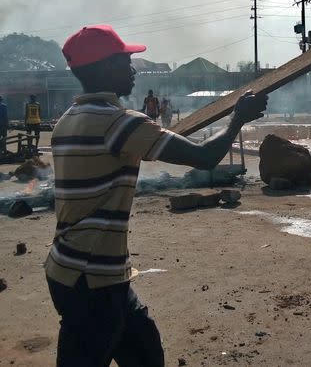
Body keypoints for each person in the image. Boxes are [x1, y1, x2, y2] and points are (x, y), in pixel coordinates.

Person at [46, 24, 267, 366]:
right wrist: (237, 119)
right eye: (125, 60)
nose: (133, 69)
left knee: (145, 350)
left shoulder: (67, 120)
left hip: (77, 269)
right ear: (104, 67)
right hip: (91, 279)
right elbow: (205, 157)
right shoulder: (119, 123)